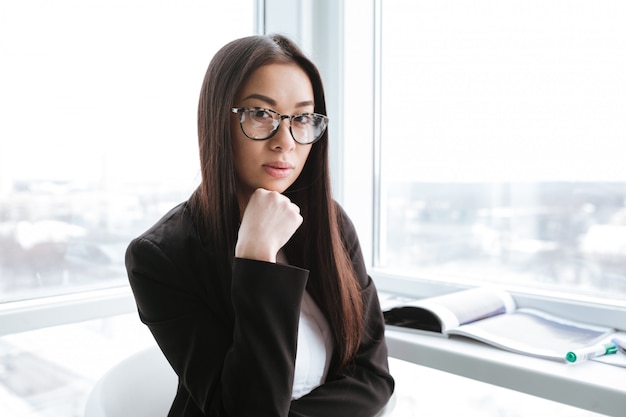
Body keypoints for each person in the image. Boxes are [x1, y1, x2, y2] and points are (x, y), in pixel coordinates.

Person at [125, 34, 394, 417]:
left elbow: (373, 376)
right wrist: (256, 261)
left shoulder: (330, 224)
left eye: (301, 118)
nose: (285, 142)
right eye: (260, 113)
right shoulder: (160, 257)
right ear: (219, 121)